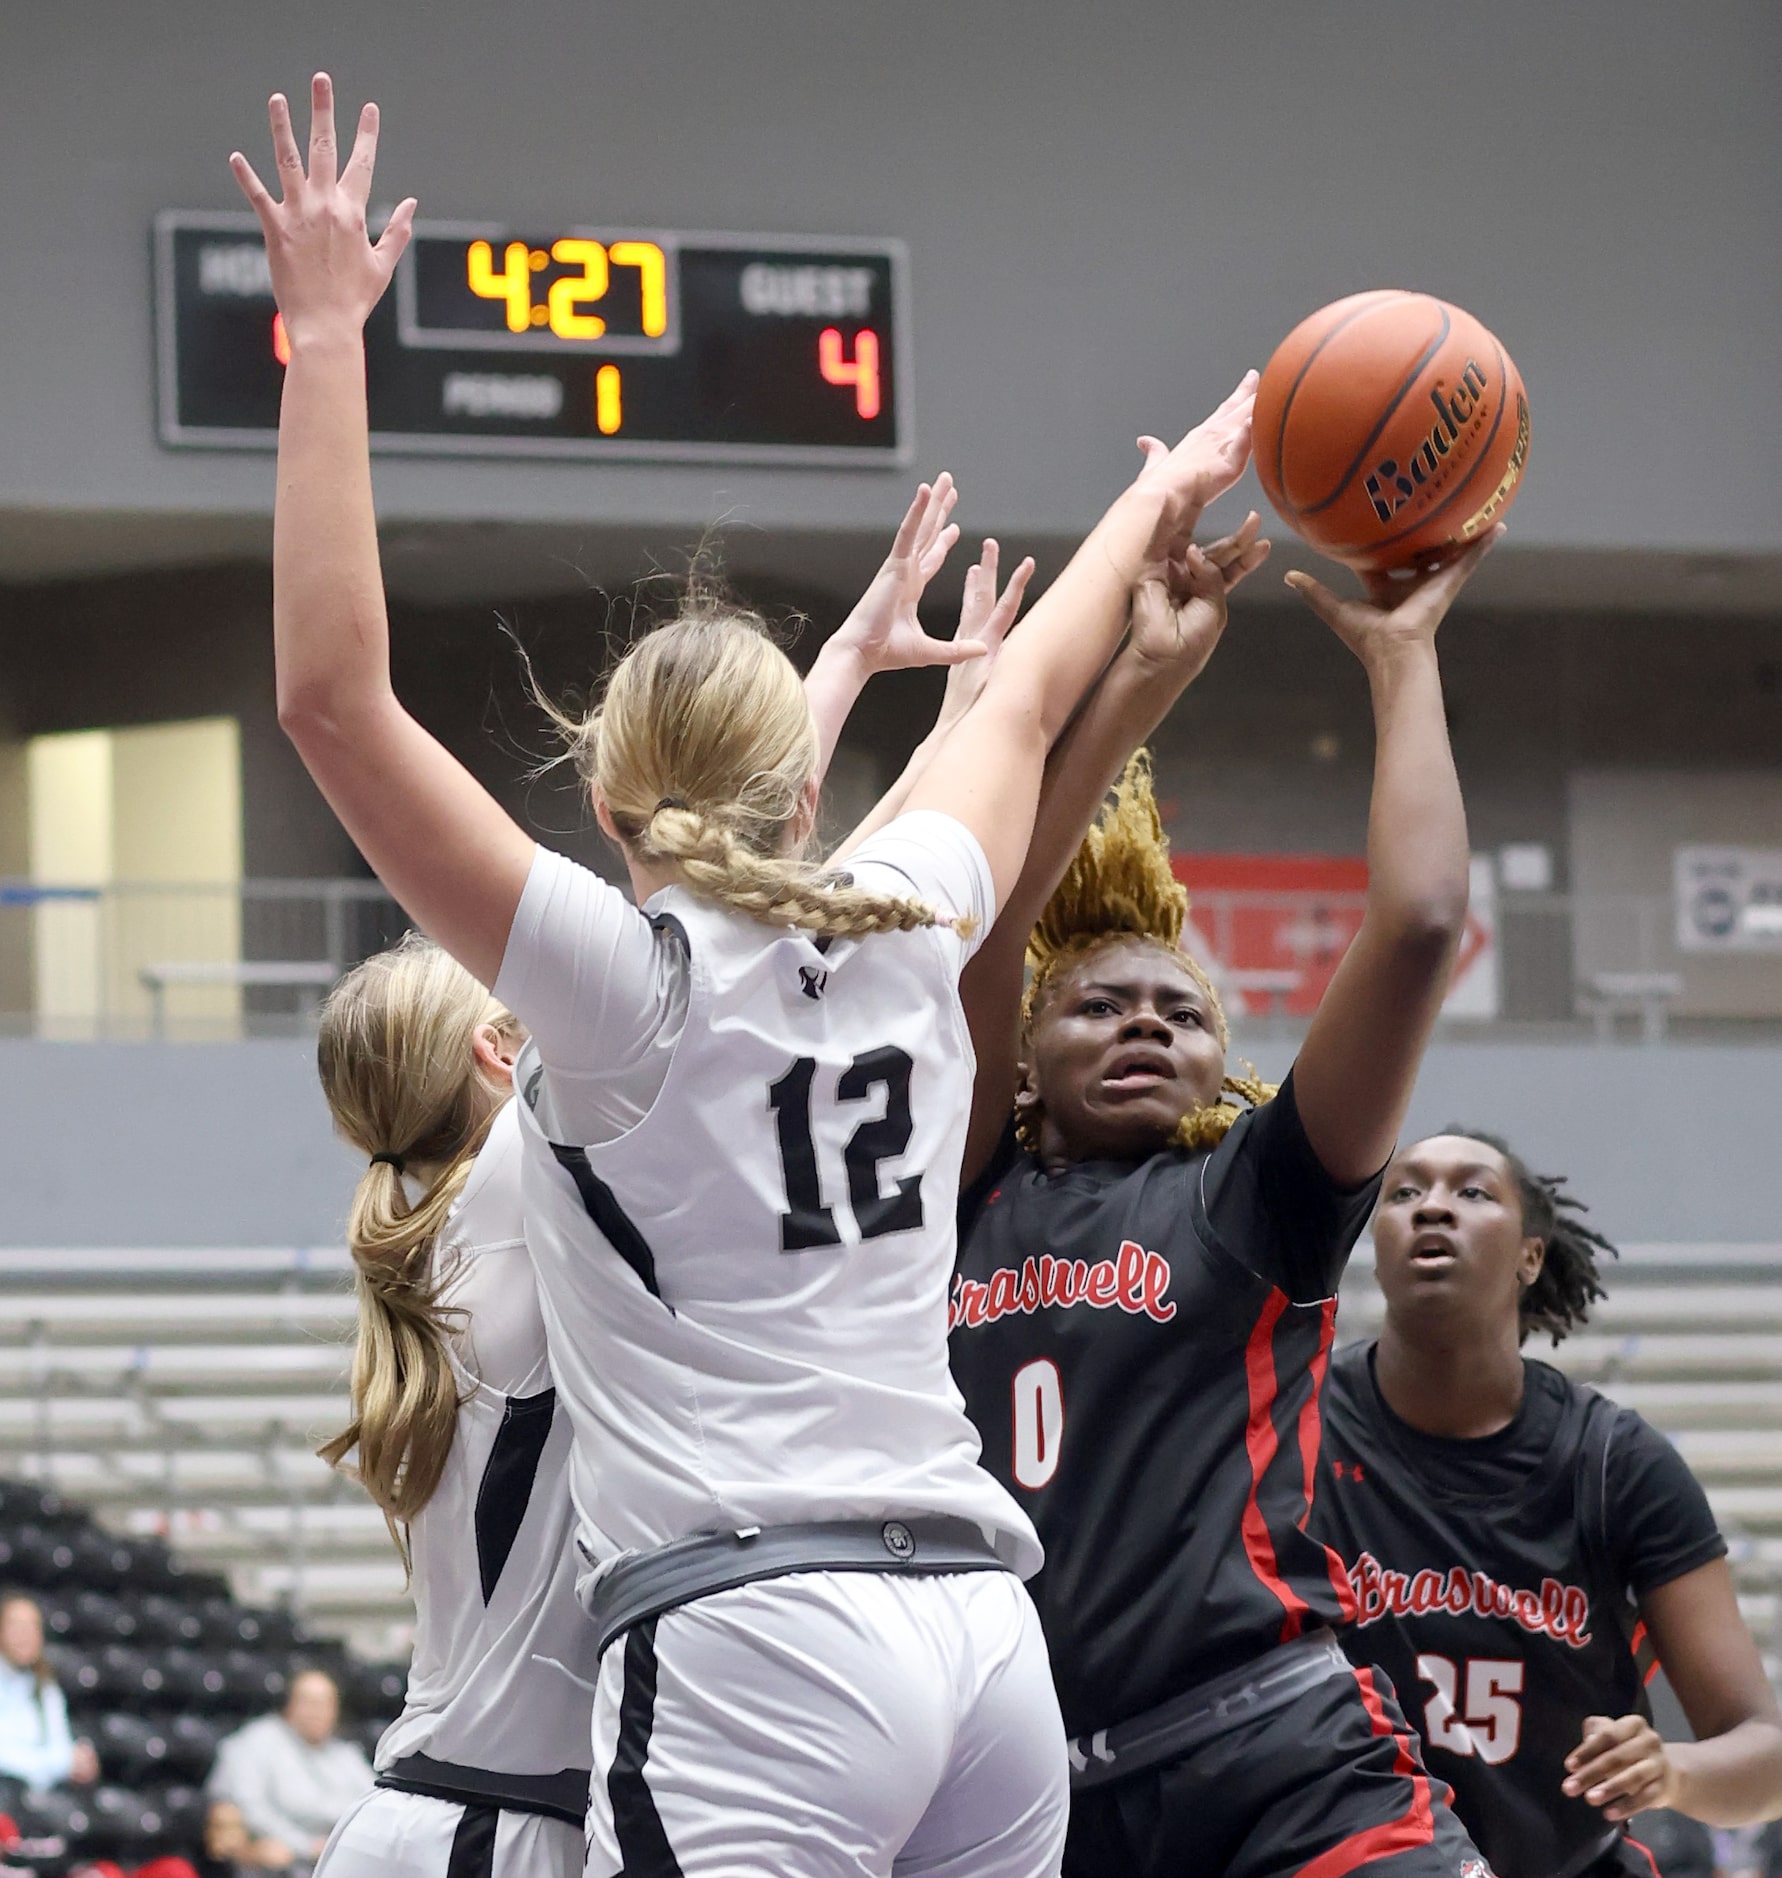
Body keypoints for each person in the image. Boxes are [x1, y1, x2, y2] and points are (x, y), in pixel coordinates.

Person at [231, 70, 1252, 1876]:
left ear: (604, 798)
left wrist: (324, 340)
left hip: (759, 1633)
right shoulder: (904, 916)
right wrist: (1176, 471)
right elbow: (1016, 700)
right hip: (982, 1636)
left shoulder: (617, 996)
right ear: (805, 784)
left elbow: (332, 701)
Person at [945, 523, 1506, 1877]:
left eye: (1180, 1010)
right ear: (1022, 1045)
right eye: (1099, 1004)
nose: (1145, 1021)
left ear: (1218, 1055)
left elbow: (1421, 920)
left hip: (1276, 1756)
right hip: (1027, 1805)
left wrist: (1402, 660)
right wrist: (1140, 675)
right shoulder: (952, 1184)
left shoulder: (1251, 1192)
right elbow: (994, 900)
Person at [1311, 1128, 1782, 1878]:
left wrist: (1673, 1772)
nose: (1433, 1207)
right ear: (1378, 1243)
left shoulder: (1617, 1465)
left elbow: (1766, 1752)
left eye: (1472, 1191)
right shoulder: (1294, 1428)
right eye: (1406, 1191)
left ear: (1531, 1256)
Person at [303, 935, 599, 1878]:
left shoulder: (445, 1246)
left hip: (449, 1815)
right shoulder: (520, 1182)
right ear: (495, 1052)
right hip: (492, 1825)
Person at [207, 1673, 372, 1878]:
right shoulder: (257, 1741)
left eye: (326, 1703)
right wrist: (306, 1846)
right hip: (283, 1861)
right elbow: (249, 1807)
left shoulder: (346, 1754)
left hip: (343, 1858)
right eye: (309, 1702)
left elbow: (372, 1804)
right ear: (290, 1705)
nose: (317, 1712)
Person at [0, 1593, 98, 1793]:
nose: (25, 1635)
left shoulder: (46, 1687)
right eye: (16, 1626)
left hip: (37, 1798)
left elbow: (60, 1745)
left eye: (32, 1627)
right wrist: (61, 1763)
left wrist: (74, 1760)